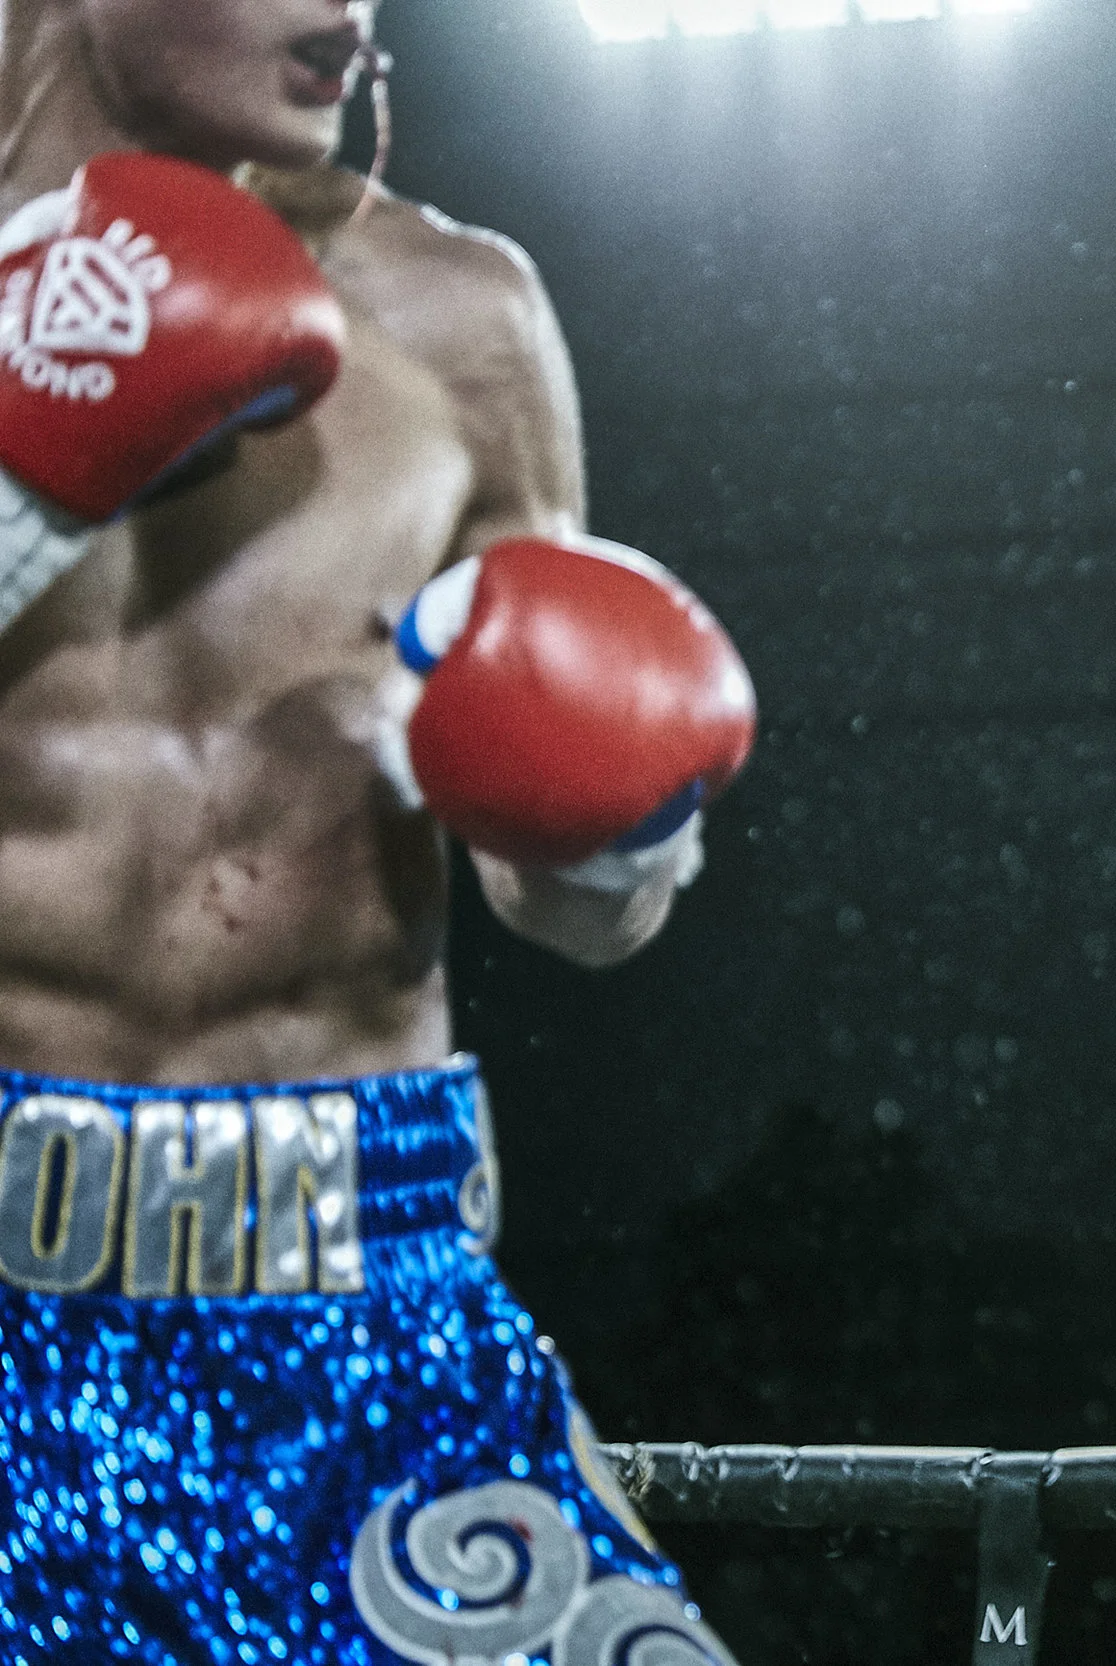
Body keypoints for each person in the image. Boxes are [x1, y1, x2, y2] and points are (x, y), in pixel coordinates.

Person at [0, 1, 752, 1657]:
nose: (344, 10)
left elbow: (575, 910)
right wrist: (22, 495)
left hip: (365, 1289)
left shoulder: (460, 316)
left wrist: (612, 831)